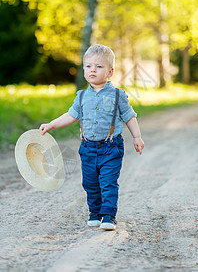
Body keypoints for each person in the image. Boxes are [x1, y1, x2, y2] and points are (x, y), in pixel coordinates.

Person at [40, 44, 144, 231]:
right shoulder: (81, 96)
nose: (92, 70)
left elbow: (129, 116)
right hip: (88, 148)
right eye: (88, 66)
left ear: (110, 72)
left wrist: (137, 137)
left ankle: (109, 215)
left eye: (98, 66)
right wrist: (51, 125)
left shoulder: (118, 95)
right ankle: (94, 212)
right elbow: (70, 116)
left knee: (108, 182)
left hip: (111, 147)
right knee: (90, 183)